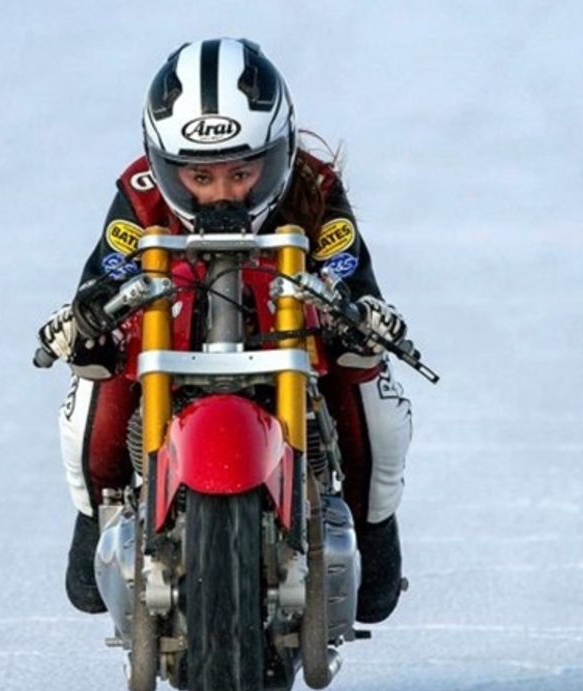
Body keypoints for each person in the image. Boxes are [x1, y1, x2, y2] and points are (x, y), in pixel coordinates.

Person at [37, 38, 413, 624]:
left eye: (242, 172)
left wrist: (362, 317)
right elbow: (106, 275)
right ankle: (93, 516)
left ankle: (375, 524)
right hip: (174, 335)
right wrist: (88, 316)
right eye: (199, 175)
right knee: (94, 361)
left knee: (366, 372)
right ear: (164, 164)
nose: (221, 193)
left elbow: (349, 273)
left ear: (278, 152)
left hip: (289, 334)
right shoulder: (139, 196)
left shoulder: (314, 186)